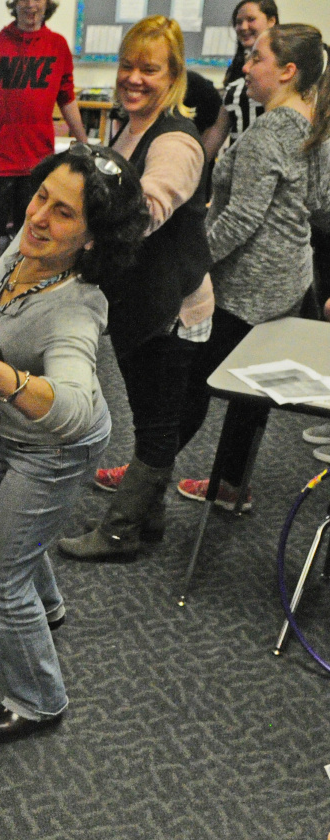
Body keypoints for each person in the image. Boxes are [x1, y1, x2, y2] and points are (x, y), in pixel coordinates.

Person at [0, 145, 147, 742]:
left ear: (93, 239)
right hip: (9, 425)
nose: (40, 216)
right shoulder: (25, 249)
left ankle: (40, 698)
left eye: (64, 213)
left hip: (56, 447)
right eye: (42, 196)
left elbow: (73, 410)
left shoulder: (76, 308)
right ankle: (45, 606)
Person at [58, 16, 214, 561]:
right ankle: (149, 520)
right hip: (140, 298)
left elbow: (146, 208)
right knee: (155, 414)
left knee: (156, 423)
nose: (134, 78)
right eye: (128, 65)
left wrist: (82, 227)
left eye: (150, 68)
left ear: (173, 77)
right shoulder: (131, 127)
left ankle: (120, 531)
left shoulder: (175, 139)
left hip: (171, 307)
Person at [175, 24, 330, 505]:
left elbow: (241, 219)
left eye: (256, 59)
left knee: (189, 383)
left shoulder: (270, 133)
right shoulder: (314, 127)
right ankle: (231, 485)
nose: (245, 67)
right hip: (287, 282)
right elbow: (320, 202)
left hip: (248, 289)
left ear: (287, 71)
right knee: (249, 393)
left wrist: (188, 263)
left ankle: (144, 477)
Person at [0, 0, 87, 275]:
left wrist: (83, 141)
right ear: (13, 3)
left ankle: (18, 290)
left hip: (38, 164)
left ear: (47, 3)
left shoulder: (58, 46)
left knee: (33, 234)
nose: (30, 5)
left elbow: (67, 99)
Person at [201, 1, 279, 160]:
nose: (243, 27)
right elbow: (219, 130)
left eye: (251, 19)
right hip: (238, 169)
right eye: (238, 22)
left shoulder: (286, 70)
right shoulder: (237, 71)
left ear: (272, 21)